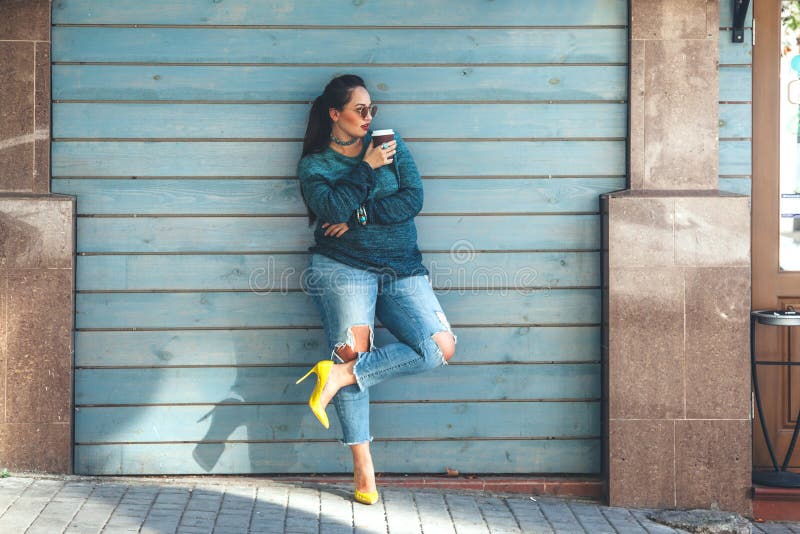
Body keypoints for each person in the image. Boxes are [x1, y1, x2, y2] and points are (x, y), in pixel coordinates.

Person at [295, 74, 457, 505]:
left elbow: (413, 199)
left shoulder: (391, 143)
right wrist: (366, 168)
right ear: (336, 114)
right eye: (360, 110)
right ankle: (363, 470)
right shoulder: (315, 164)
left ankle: (341, 376)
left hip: (402, 267)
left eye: (372, 110)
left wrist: (359, 217)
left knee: (439, 346)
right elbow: (329, 208)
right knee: (352, 347)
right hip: (344, 267)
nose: (369, 118)